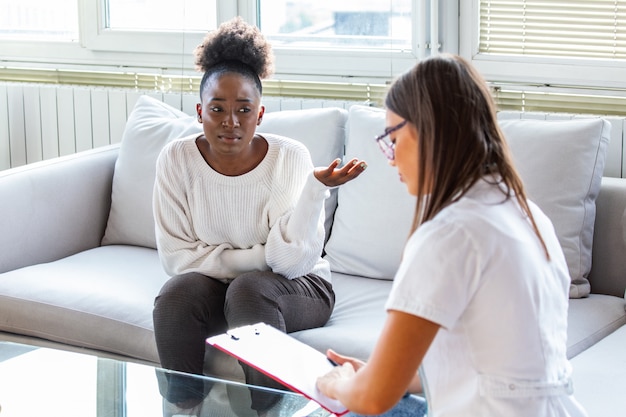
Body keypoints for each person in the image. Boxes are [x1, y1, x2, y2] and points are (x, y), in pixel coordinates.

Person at [316, 54, 588, 417]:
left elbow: (372, 400)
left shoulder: (449, 235)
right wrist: (378, 377)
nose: (390, 157)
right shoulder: (528, 215)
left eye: (392, 137)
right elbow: (488, 363)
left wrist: (340, 384)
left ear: (430, 130)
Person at [152, 16, 367, 413]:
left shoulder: (289, 158)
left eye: (243, 110)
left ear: (260, 114)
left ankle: (271, 412)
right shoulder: (176, 160)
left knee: (248, 289)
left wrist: (314, 189)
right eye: (217, 108)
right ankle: (182, 409)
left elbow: (289, 262)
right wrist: (257, 255)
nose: (230, 122)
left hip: (300, 287)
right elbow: (177, 260)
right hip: (226, 289)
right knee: (175, 297)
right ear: (200, 111)